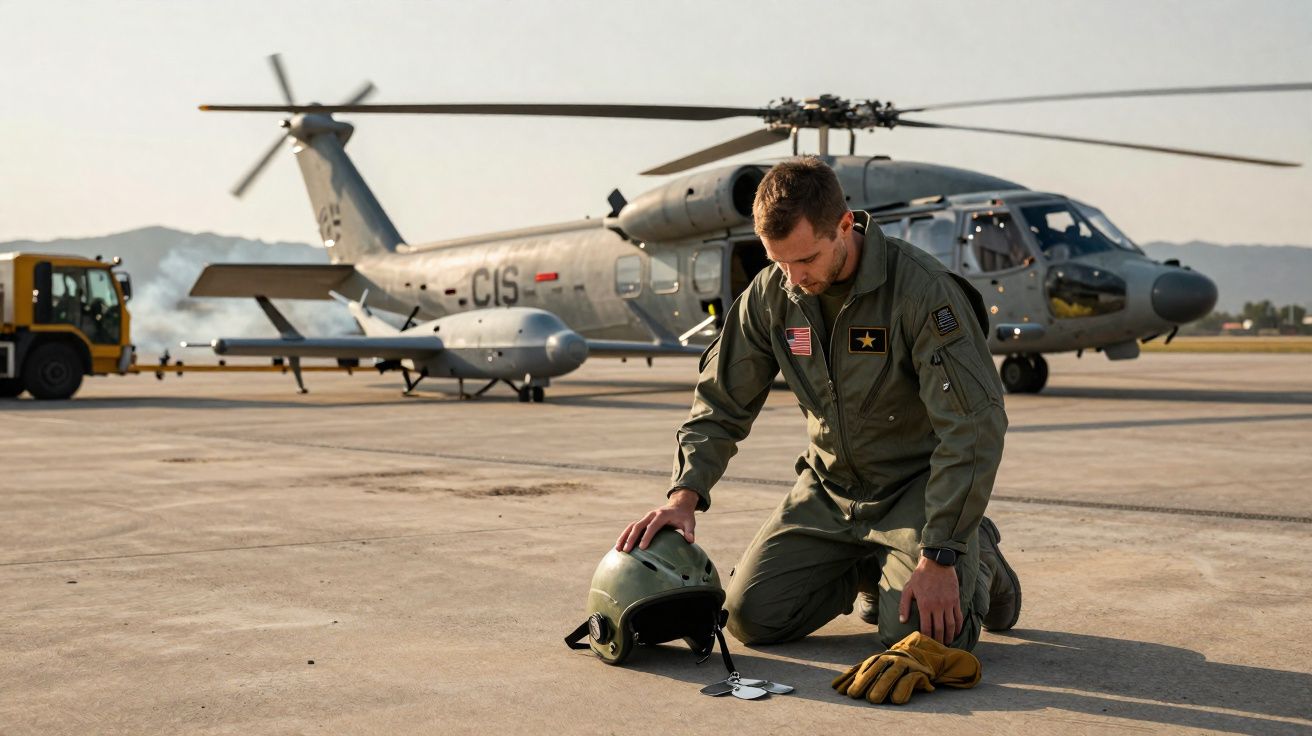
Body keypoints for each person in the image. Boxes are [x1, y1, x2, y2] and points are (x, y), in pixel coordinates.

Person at [615, 157, 1020, 651]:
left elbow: (973, 426)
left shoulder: (922, 291)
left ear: (845, 226)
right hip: (829, 490)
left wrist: (942, 552)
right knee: (751, 618)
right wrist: (684, 496)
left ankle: (978, 553)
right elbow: (721, 401)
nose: (793, 276)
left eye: (805, 259)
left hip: (915, 490)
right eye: (778, 261)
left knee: (925, 639)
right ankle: (873, 565)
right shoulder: (772, 294)